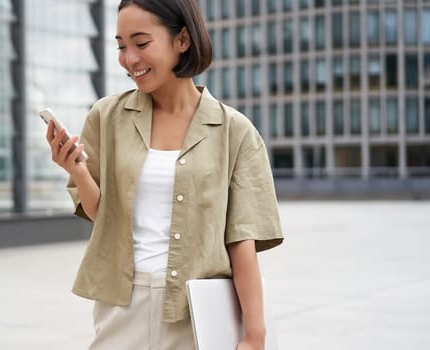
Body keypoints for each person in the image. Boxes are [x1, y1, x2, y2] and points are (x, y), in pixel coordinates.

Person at [46, 0, 284, 348]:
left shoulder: (236, 132)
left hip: (196, 312)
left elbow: (241, 242)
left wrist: (254, 334)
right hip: (120, 305)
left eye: (141, 44)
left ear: (183, 40)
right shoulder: (106, 117)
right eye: (121, 46)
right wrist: (78, 171)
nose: (130, 59)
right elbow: (105, 219)